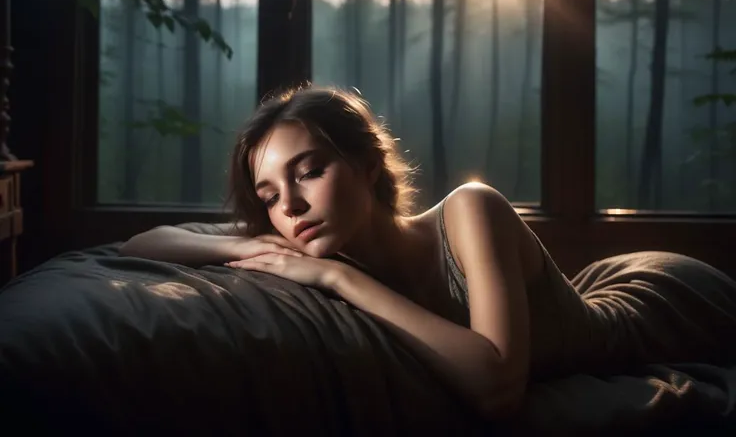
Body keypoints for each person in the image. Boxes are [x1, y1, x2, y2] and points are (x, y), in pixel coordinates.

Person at [121, 86, 736, 421]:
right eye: (269, 195)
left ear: (365, 166)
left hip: (661, 306)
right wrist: (248, 240)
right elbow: (137, 245)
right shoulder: (292, 233)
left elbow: (497, 387)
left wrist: (338, 279)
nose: (291, 206)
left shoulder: (469, 209)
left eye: (308, 172)